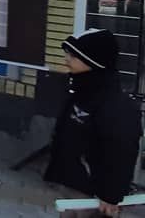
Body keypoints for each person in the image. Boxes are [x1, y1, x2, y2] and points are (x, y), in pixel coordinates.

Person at [45, 29, 142, 217]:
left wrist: (110, 194)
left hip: (93, 195)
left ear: (93, 61)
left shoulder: (115, 105)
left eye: (73, 56)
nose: (66, 59)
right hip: (71, 183)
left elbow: (122, 151)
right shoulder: (81, 89)